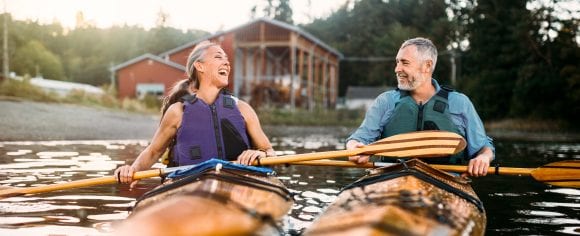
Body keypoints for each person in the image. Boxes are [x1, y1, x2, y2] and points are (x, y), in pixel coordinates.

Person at [115, 41, 275, 187]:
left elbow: (269, 151)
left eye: (226, 59)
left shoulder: (242, 109)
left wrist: (260, 153)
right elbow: (153, 151)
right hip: (190, 184)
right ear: (200, 66)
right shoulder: (178, 111)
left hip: (239, 183)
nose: (227, 62)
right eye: (218, 57)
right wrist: (132, 169)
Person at [346, 37, 494, 177]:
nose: (397, 69)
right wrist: (354, 147)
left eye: (405, 62)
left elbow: (483, 146)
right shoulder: (385, 101)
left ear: (427, 66)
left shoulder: (460, 103)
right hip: (391, 178)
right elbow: (359, 139)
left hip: (446, 181)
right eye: (397, 62)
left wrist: (484, 157)